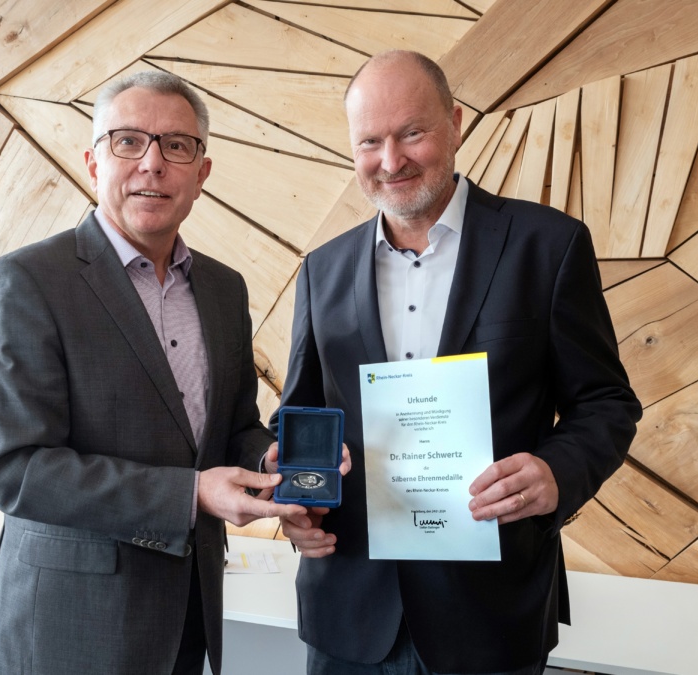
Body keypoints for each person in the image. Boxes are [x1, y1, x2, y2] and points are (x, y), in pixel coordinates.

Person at [272, 50, 643, 675]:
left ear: (456, 123)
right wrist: (297, 500)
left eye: (412, 133)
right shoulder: (321, 270)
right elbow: (301, 418)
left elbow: (607, 404)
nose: (391, 161)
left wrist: (556, 473)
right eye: (370, 142)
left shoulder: (548, 247)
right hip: (349, 613)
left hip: (492, 614)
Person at [0, 71, 309, 675]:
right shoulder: (26, 282)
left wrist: (267, 461)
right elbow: (19, 471)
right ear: (93, 161)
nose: (152, 163)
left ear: (201, 174)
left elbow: (234, 427)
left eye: (177, 145)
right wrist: (191, 494)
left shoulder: (224, 288)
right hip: (70, 622)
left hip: (187, 613)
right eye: (127, 141)